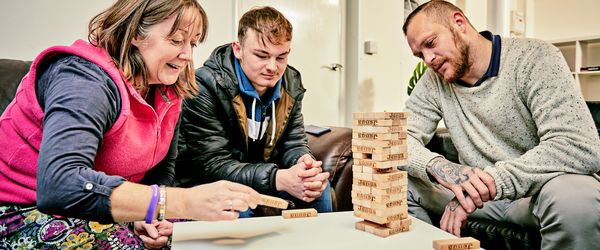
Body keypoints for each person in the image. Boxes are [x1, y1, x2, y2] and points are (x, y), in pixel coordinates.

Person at [0, 0, 261, 249]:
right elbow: (60, 185)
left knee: (212, 235)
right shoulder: (84, 79)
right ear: (135, 32)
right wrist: (178, 201)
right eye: (177, 40)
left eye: (193, 43)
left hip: (94, 204)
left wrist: (151, 216)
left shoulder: (168, 89)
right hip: (22, 206)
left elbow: (161, 172)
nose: (187, 55)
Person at [402, 1, 600, 249]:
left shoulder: (535, 57)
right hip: (480, 199)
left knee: (576, 199)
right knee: (396, 182)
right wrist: (439, 166)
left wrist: (487, 184)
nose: (428, 59)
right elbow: (399, 140)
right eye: (420, 54)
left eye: (430, 44)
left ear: (459, 23)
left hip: (534, 196)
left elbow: (578, 145)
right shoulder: (434, 81)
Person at [175, 6, 332, 217]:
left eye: (281, 57)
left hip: (261, 177)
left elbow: (293, 142)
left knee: (317, 189)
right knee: (238, 206)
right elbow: (212, 165)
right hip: (214, 183)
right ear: (238, 49)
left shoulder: (291, 83)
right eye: (261, 55)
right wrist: (278, 178)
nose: (272, 67)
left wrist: (304, 163)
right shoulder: (203, 85)